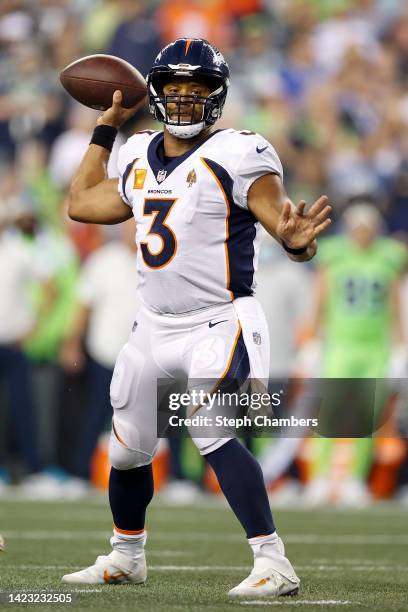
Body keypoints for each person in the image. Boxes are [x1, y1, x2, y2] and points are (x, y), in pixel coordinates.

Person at [61, 38, 331, 598]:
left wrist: (296, 242)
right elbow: (82, 203)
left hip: (221, 318)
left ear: (217, 97)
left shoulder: (239, 151)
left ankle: (273, 561)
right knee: (128, 447)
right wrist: (104, 128)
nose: (184, 101)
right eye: (175, 90)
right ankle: (126, 555)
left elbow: (281, 223)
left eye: (197, 90)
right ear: (154, 95)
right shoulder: (136, 153)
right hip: (154, 323)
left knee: (212, 431)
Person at [303, 203, 407, 506]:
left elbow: (394, 305)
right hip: (339, 343)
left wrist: (400, 346)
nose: (363, 234)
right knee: (329, 412)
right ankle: (319, 477)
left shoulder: (388, 258)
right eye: (358, 228)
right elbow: (320, 299)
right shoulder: (334, 256)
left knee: (367, 417)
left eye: (368, 228)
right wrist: (312, 338)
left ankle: (353, 478)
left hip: (376, 347)